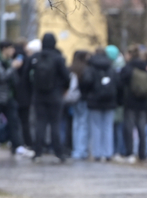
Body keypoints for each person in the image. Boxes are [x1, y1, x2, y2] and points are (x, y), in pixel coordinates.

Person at [27, 33, 70, 162]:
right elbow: (66, 77)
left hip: (39, 96)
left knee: (40, 123)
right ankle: (58, 152)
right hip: (55, 95)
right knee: (55, 124)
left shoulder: (35, 57)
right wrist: (63, 89)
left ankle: (38, 152)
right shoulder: (58, 58)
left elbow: (27, 76)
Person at [120, 45, 147, 163]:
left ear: (130, 55)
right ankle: (143, 154)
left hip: (130, 102)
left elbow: (120, 84)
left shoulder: (127, 68)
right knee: (142, 128)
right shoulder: (145, 67)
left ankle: (130, 153)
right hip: (143, 103)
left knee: (129, 128)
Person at [82, 48, 119, 162]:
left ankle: (97, 153)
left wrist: (87, 94)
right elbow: (118, 83)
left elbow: (86, 82)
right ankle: (108, 153)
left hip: (94, 101)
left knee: (96, 127)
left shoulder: (91, 68)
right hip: (110, 101)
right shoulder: (111, 67)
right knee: (108, 127)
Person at [68, 50, 91, 160]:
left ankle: (76, 148)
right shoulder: (85, 69)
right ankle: (81, 150)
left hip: (73, 99)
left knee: (76, 123)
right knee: (83, 124)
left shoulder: (71, 68)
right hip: (84, 99)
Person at [17, 39, 40, 148]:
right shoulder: (28, 61)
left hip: (27, 96)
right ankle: (32, 143)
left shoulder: (26, 61)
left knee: (28, 121)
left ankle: (28, 143)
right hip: (32, 96)